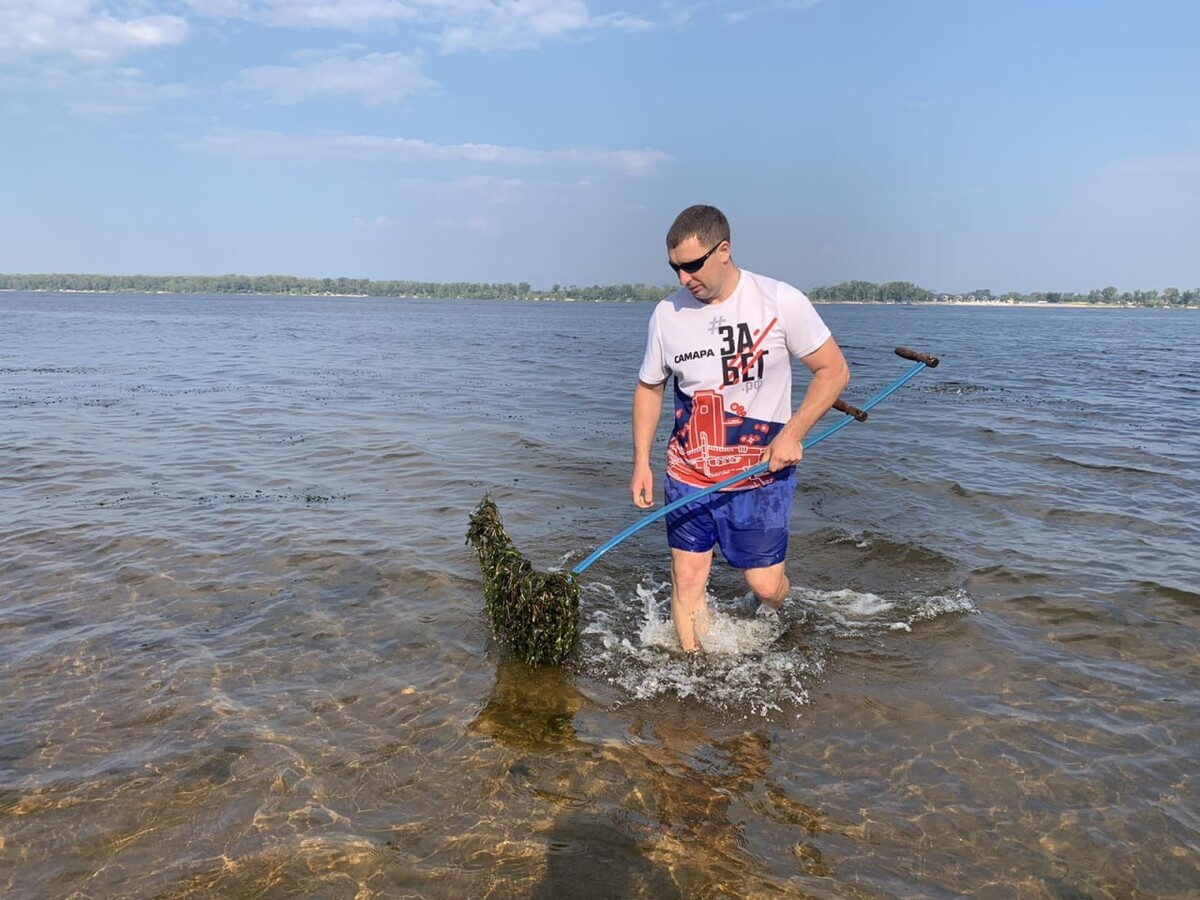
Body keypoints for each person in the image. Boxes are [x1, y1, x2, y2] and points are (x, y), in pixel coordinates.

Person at [631, 204, 850, 653]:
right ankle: (694, 677)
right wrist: (641, 463)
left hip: (759, 474)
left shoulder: (779, 300)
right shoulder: (666, 316)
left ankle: (776, 610)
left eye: (692, 266)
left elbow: (833, 371)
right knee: (688, 580)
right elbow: (649, 388)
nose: (682, 279)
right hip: (688, 473)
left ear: (724, 250)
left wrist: (793, 433)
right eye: (674, 268)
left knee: (765, 585)